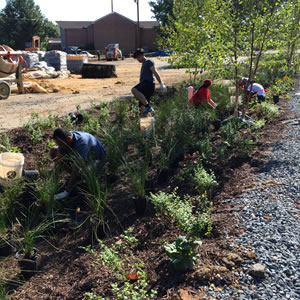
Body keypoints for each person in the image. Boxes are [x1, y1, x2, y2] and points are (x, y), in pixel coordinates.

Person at [50, 128, 106, 200]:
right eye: (58, 144)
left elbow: (76, 168)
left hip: (96, 159)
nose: (60, 146)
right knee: (53, 150)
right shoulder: (64, 138)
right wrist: (52, 184)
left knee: (85, 177)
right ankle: (77, 177)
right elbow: (59, 161)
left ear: (69, 139)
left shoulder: (82, 143)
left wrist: (66, 192)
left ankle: (80, 178)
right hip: (81, 156)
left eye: (60, 144)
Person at [131, 48, 167, 116]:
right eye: (136, 58)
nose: (138, 59)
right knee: (142, 106)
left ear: (143, 55)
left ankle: (148, 106)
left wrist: (161, 83)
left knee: (134, 90)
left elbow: (155, 72)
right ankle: (149, 123)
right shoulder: (144, 64)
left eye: (138, 57)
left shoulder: (148, 62)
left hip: (148, 84)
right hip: (145, 85)